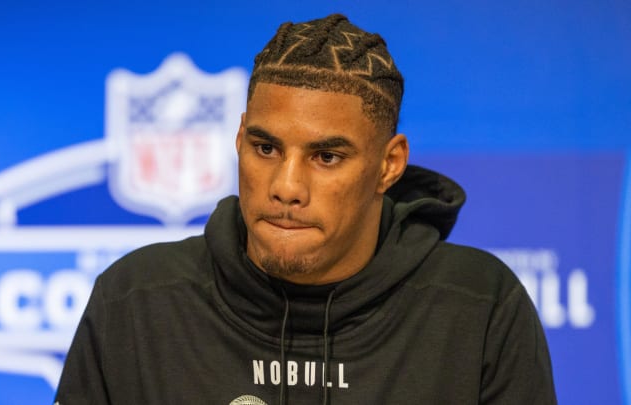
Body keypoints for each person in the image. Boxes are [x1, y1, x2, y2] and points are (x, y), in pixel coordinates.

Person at [55, 13, 556, 405]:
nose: (286, 187)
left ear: (389, 164)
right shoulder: (137, 300)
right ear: (239, 139)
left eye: (326, 157)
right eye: (266, 148)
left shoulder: (479, 307)